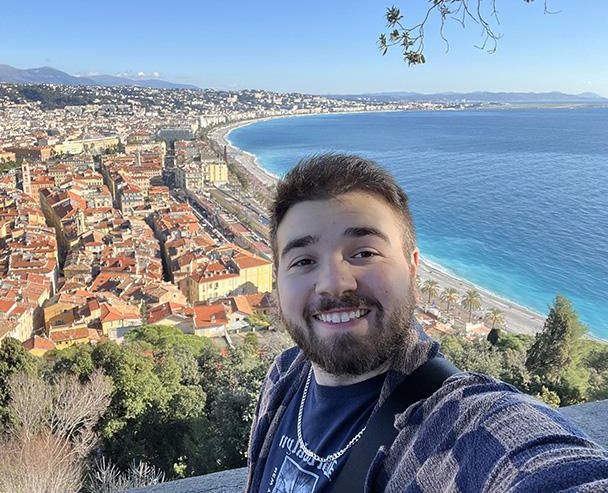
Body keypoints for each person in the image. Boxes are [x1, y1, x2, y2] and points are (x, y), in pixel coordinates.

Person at [245, 153, 608, 492]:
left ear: (413, 269)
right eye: (304, 261)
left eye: (364, 253)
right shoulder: (284, 375)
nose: (334, 283)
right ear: (277, 282)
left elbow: (545, 465)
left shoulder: (461, 422)